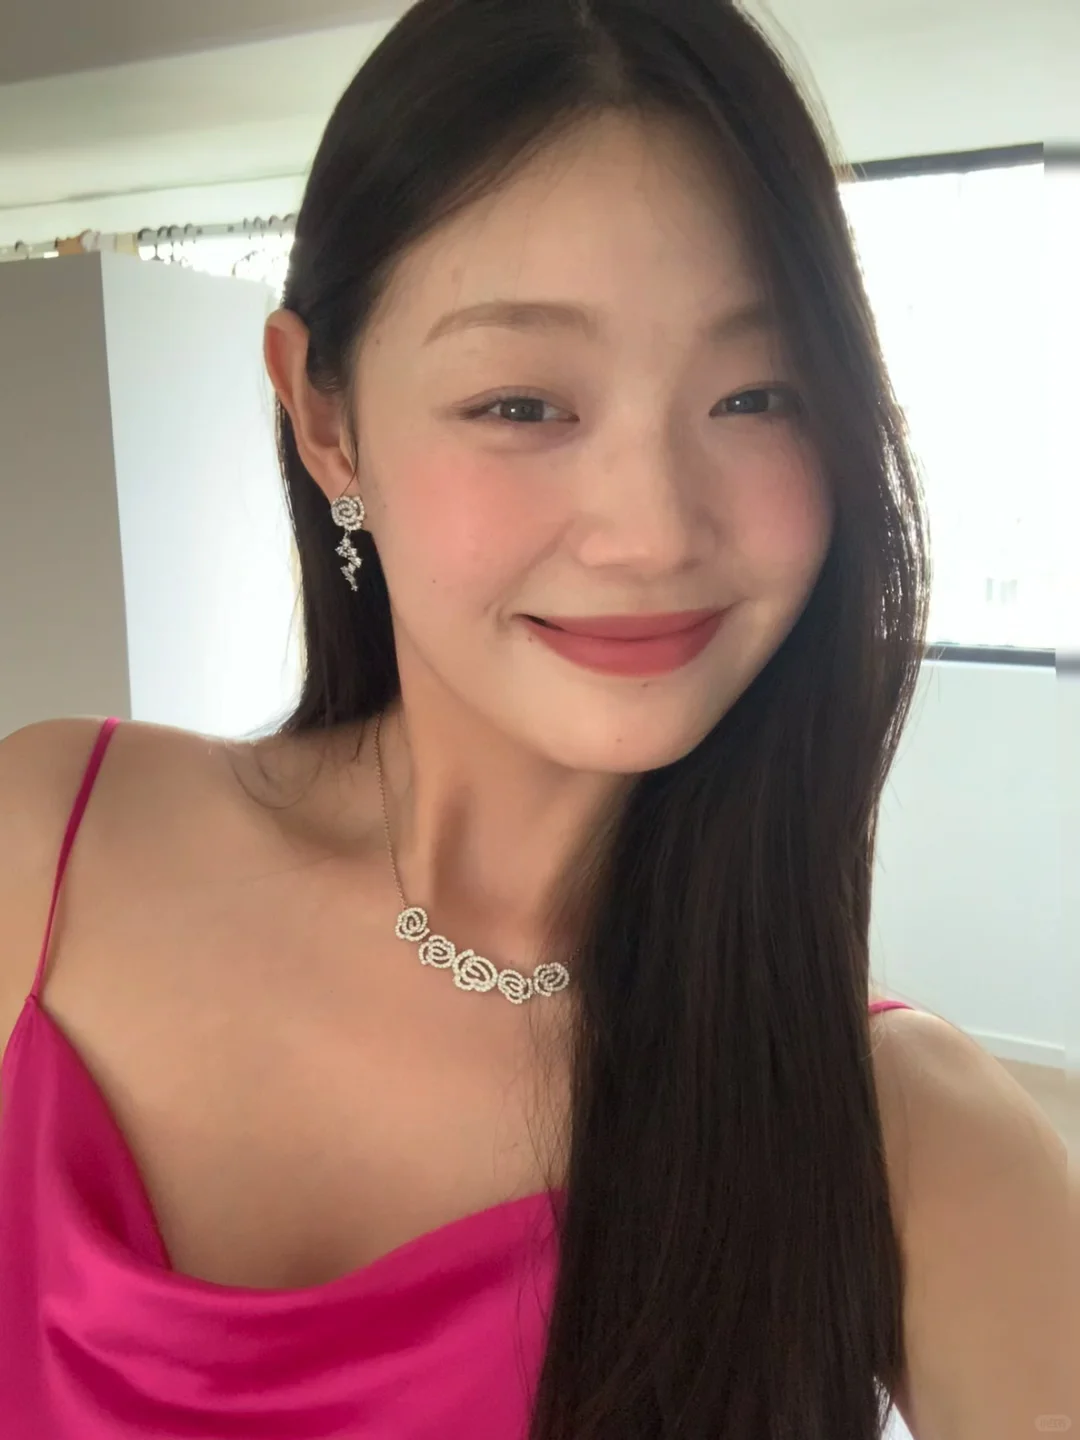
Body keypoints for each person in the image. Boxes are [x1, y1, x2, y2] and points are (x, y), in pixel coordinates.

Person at [0, 1, 1068, 1437]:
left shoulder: (897, 1134)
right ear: (326, 421)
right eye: (522, 404)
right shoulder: (49, 844)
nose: (654, 529)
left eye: (758, 395)